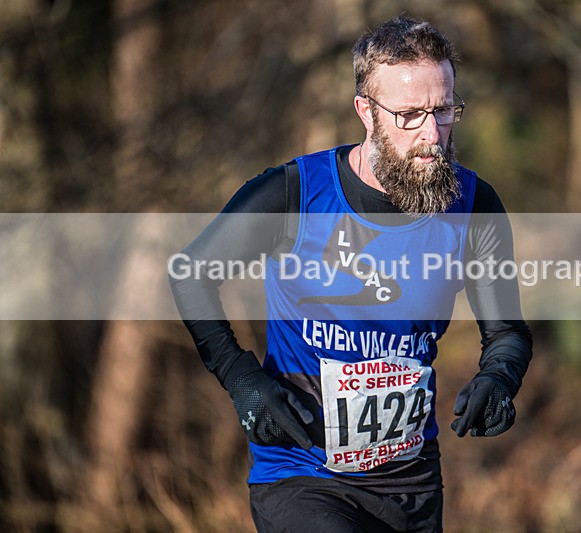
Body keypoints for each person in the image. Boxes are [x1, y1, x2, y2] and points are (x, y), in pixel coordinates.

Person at [170, 15, 532, 532]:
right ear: (367, 111)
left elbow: (507, 334)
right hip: (303, 476)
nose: (432, 134)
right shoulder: (295, 194)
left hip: (412, 483)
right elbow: (190, 272)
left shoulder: (473, 204)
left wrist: (500, 378)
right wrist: (241, 378)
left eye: (444, 110)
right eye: (408, 115)